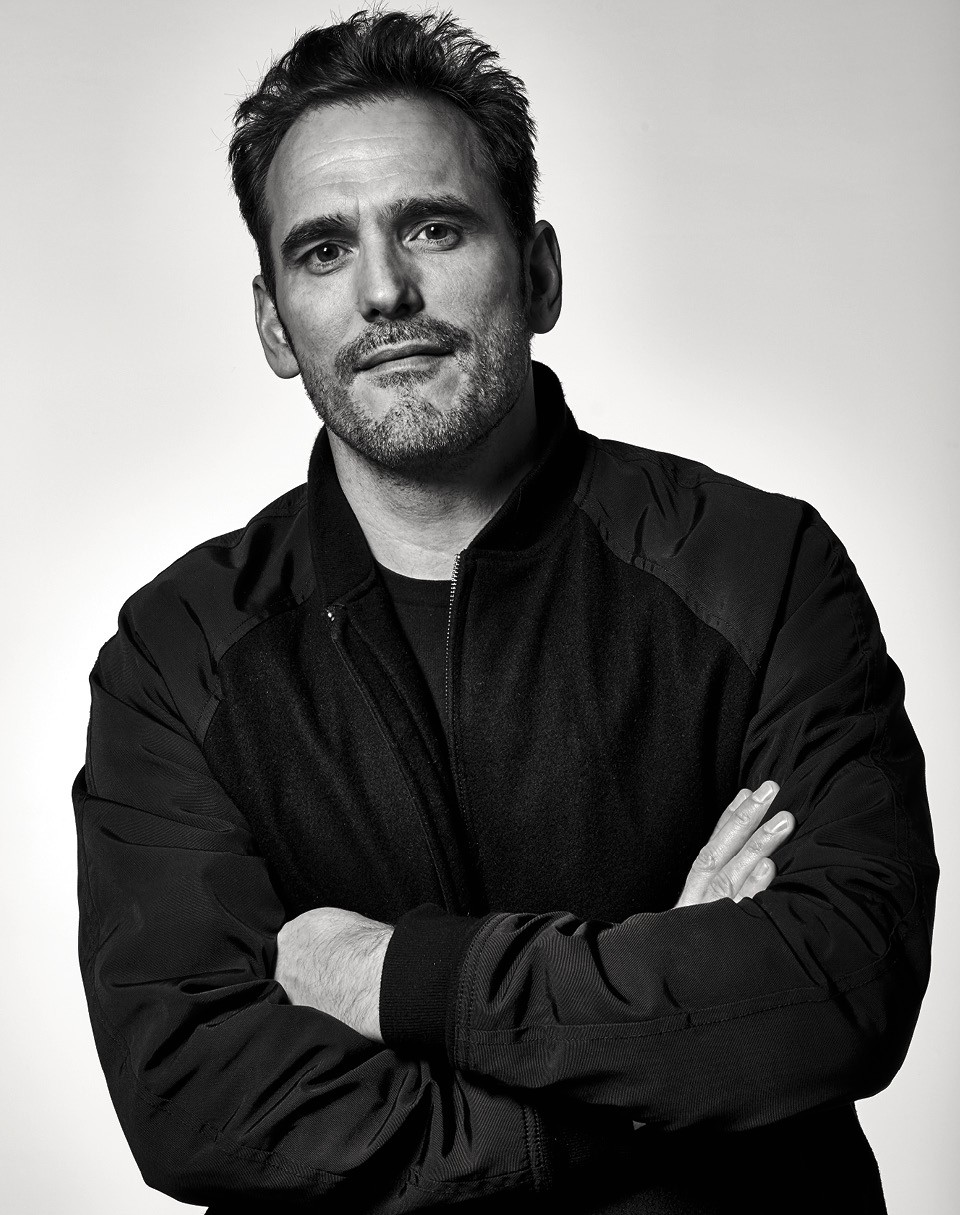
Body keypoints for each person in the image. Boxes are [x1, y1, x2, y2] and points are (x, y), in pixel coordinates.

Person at [73, 9, 938, 1214]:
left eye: (434, 227)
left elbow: (836, 990)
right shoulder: (180, 657)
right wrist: (658, 1063)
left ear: (538, 273)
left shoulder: (758, 568)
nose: (385, 290)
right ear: (273, 323)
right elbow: (201, 1103)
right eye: (323, 251)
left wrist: (393, 978)